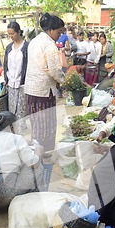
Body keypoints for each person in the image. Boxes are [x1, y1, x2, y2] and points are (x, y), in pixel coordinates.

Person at [25, 13, 66, 184]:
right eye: (59, 32)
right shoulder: (49, 45)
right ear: (50, 30)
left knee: (35, 126)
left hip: (31, 90)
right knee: (46, 127)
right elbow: (54, 70)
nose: (60, 35)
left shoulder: (34, 41)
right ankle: (42, 163)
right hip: (43, 91)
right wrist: (64, 81)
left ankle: (36, 159)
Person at [0, 111, 44, 207]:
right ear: (11, 127)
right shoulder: (17, 138)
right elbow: (34, 164)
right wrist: (39, 151)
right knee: (37, 167)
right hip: (7, 191)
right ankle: (33, 200)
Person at [4, 21, 28, 134]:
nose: (11, 36)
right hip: (11, 84)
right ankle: (14, 134)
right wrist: (6, 79)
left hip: (22, 84)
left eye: (12, 34)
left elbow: (27, 65)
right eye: (9, 34)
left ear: (19, 32)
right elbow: (5, 65)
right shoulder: (9, 48)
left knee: (21, 112)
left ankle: (21, 135)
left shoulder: (26, 47)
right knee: (12, 111)